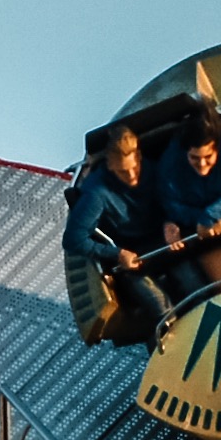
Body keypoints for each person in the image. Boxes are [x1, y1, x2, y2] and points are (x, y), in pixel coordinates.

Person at [141, 117, 221, 304]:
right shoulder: (169, 165)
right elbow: (171, 205)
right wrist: (202, 220)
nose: (202, 165)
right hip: (200, 228)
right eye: (194, 158)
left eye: (208, 157)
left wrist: (212, 214)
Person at [65, 125, 161, 342]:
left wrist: (173, 222)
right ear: (110, 165)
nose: (131, 177)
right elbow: (74, 239)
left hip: (165, 243)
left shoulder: (154, 169)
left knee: (191, 278)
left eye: (134, 168)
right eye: (122, 172)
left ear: (138, 156)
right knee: (160, 305)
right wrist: (116, 253)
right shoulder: (97, 192)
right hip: (133, 257)